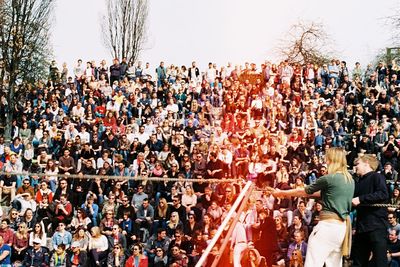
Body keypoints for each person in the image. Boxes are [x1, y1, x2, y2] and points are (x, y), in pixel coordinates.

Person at [273, 147, 354, 267]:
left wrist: (282, 193)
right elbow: (321, 193)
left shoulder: (329, 179)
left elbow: (305, 191)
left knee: (313, 263)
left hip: (327, 227)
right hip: (341, 229)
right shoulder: (349, 180)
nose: (326, 162)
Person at [351, 154, 390, 267]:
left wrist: (361, 199)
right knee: (358, 262)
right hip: (362, 228)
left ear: (366, 164)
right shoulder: (358, 182)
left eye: (357, 164)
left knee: (379, 262)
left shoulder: (377, 177)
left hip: (376, 227)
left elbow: (383, 194)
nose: (355, 167)